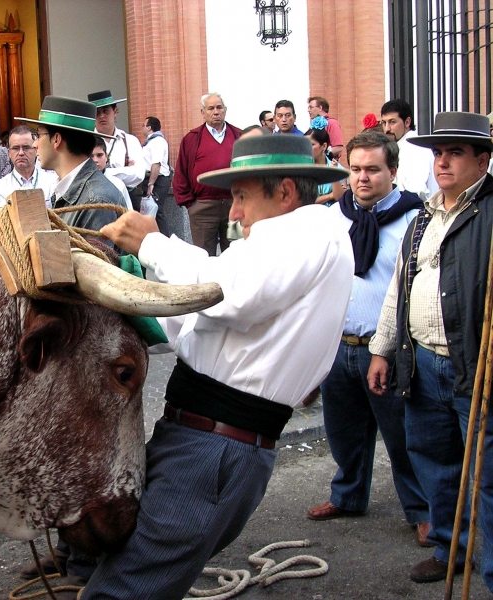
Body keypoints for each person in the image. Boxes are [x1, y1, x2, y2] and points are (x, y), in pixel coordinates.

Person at [68, 135, 353, 600]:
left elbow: (228, 295)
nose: (234, 213)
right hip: (201, 439)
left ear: (285, 191)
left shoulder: (310, 231)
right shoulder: (280, 243)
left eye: (241, 196)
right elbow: (197, 320)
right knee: (122, 564)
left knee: (123, 590)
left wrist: (152, 244)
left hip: (214, 449)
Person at [367, 111, 493, 586]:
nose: (442, 162)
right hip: (422, 363)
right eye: (439, 153)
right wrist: (382, 350)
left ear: (483, 161)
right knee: (436, 464)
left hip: (477, 364)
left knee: (489, 475)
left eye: (455, 153)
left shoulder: (491, 214)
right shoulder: (422, 217)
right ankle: (450, 548)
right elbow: (400, 287)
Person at [306, 131, 429, 548]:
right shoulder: (333, 217)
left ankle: (422, 511)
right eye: (355, 169)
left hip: (390, 351)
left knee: (403, 435)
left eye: (373, 170)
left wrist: (389, 349)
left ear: (392, 171)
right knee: (343, 431)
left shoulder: (416, 219)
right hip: (339, 345)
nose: (362, 178)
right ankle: (349, 495)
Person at [16, 95, 122, 236]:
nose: (34, 144)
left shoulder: (96, 200)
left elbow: (95, 256)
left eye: (39, 135)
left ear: (57, 140)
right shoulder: (67, 189)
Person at [173, 93, 243, 256]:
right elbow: (181, 172)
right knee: (203, 257)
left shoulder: (239, 136)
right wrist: (191, 205)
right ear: (203, 112)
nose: (216, 111)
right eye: (211, 108)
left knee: (236, 254)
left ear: (225, 110)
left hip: (235, 206)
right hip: (202, 208)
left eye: (219, 107)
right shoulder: (191, 139)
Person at [88, 90, 146, 211]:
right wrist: (125, 170)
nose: (102, 116)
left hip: (127, 199)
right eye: (97, 113)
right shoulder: (85, 142)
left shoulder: (130, 141)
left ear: (115, 111)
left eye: (105, 111)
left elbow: (139, 174)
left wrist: (104, 172)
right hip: (93, 201)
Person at [0, 125, 58, 209]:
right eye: (16, 148)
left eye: (26, 147)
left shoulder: (53, 182)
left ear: (36, 150)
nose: (21, 153)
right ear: (9, 153)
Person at [380, 99, 438, 200]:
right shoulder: (400, 147)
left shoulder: (416, 149)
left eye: (392, 122)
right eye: (384, 123)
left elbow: (416, 191)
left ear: (407, 122)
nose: (387, 129)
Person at [141, 116, 170, 235]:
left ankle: (165, 239)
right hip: (152, 179)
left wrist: (151, 183)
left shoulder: (157, 141)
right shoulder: (150, 141)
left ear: (149, 127)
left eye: (143, 125)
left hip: (158, 180)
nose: (142, 128)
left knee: (156, 210)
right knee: (152, 211)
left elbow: (156, 164)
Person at [305, 122, 342, 205]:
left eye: (311, 144)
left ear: (324, 146)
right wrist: (330, 196)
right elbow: (306, 201)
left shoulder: (337, 168)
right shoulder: (303, 170)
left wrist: (334, 174)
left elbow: (340, 197)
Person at [91, 136, 132, 211]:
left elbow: (129, 213)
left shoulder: (118, 184)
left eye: (99, 155)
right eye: (91, 156)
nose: (95, 160)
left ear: (106, 156)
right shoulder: (79, 184)